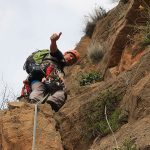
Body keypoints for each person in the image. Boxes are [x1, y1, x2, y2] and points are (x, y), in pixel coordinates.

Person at [22, 32, 80, 112]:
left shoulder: (60, 68)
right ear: (65, 53)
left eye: (73, 60)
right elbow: (53, 50)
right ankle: (49, 106)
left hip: (36, 77)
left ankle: (35, 104)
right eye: (70, 56)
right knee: (61, 92)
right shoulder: (59, 57)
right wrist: (53, 41)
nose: (71, 59)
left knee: (39, 89)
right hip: (44, 76)